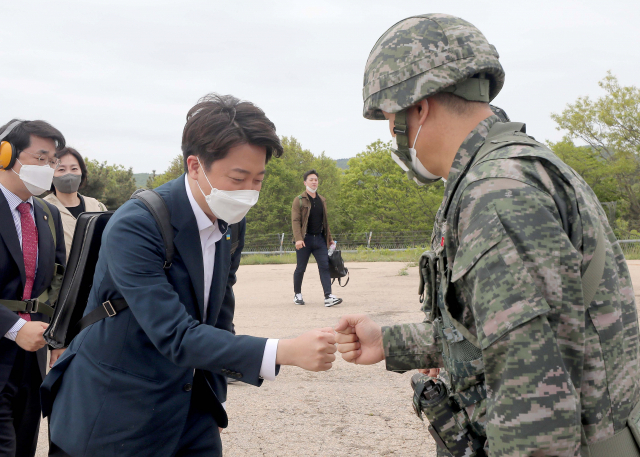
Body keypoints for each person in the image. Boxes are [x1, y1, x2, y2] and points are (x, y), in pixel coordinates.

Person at [335, 14, 640, 457]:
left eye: (388, 118)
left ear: (416, 108)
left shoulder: (497, 194)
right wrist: (390, 342)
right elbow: (493, 331)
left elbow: (537, 403)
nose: (392, 135)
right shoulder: (504, 171)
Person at [41, 94, 337, 457]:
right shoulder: (137, 225)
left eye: (258, 178)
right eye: (238, 177)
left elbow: (219, 315)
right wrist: (283, 351)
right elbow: (175, 334)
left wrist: (213, 398)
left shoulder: (229, 222)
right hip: (115, 411)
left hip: (191, 412)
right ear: (195, 165)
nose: (249, 192)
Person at [0, 119, 67, 457]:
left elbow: (58, 281)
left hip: (32, 359)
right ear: (6, 154)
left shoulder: (46, 214)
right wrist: (13, 328)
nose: (49, 168)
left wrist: (58, 336)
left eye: (53, 160)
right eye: (41, 158)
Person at [44, 147, 107, 260]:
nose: (69, 174)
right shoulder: (42, 209)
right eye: (61, 169)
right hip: (62, 277)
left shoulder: (97, 206)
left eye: (74, 169)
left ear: (81, 172)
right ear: (50, 175)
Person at [291, 170, 342, 307]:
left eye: (316, 180)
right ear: (305, 182)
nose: (314, 182)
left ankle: (328, 296)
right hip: (304, 239)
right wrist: (298, 239)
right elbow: (295, 221)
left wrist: (329, 239)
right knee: (301, 268)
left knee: (325, 266)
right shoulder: (299, 200)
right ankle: (297, 294)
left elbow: (325, 221)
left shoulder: (322, 200)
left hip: (319, 239)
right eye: (311, 179)